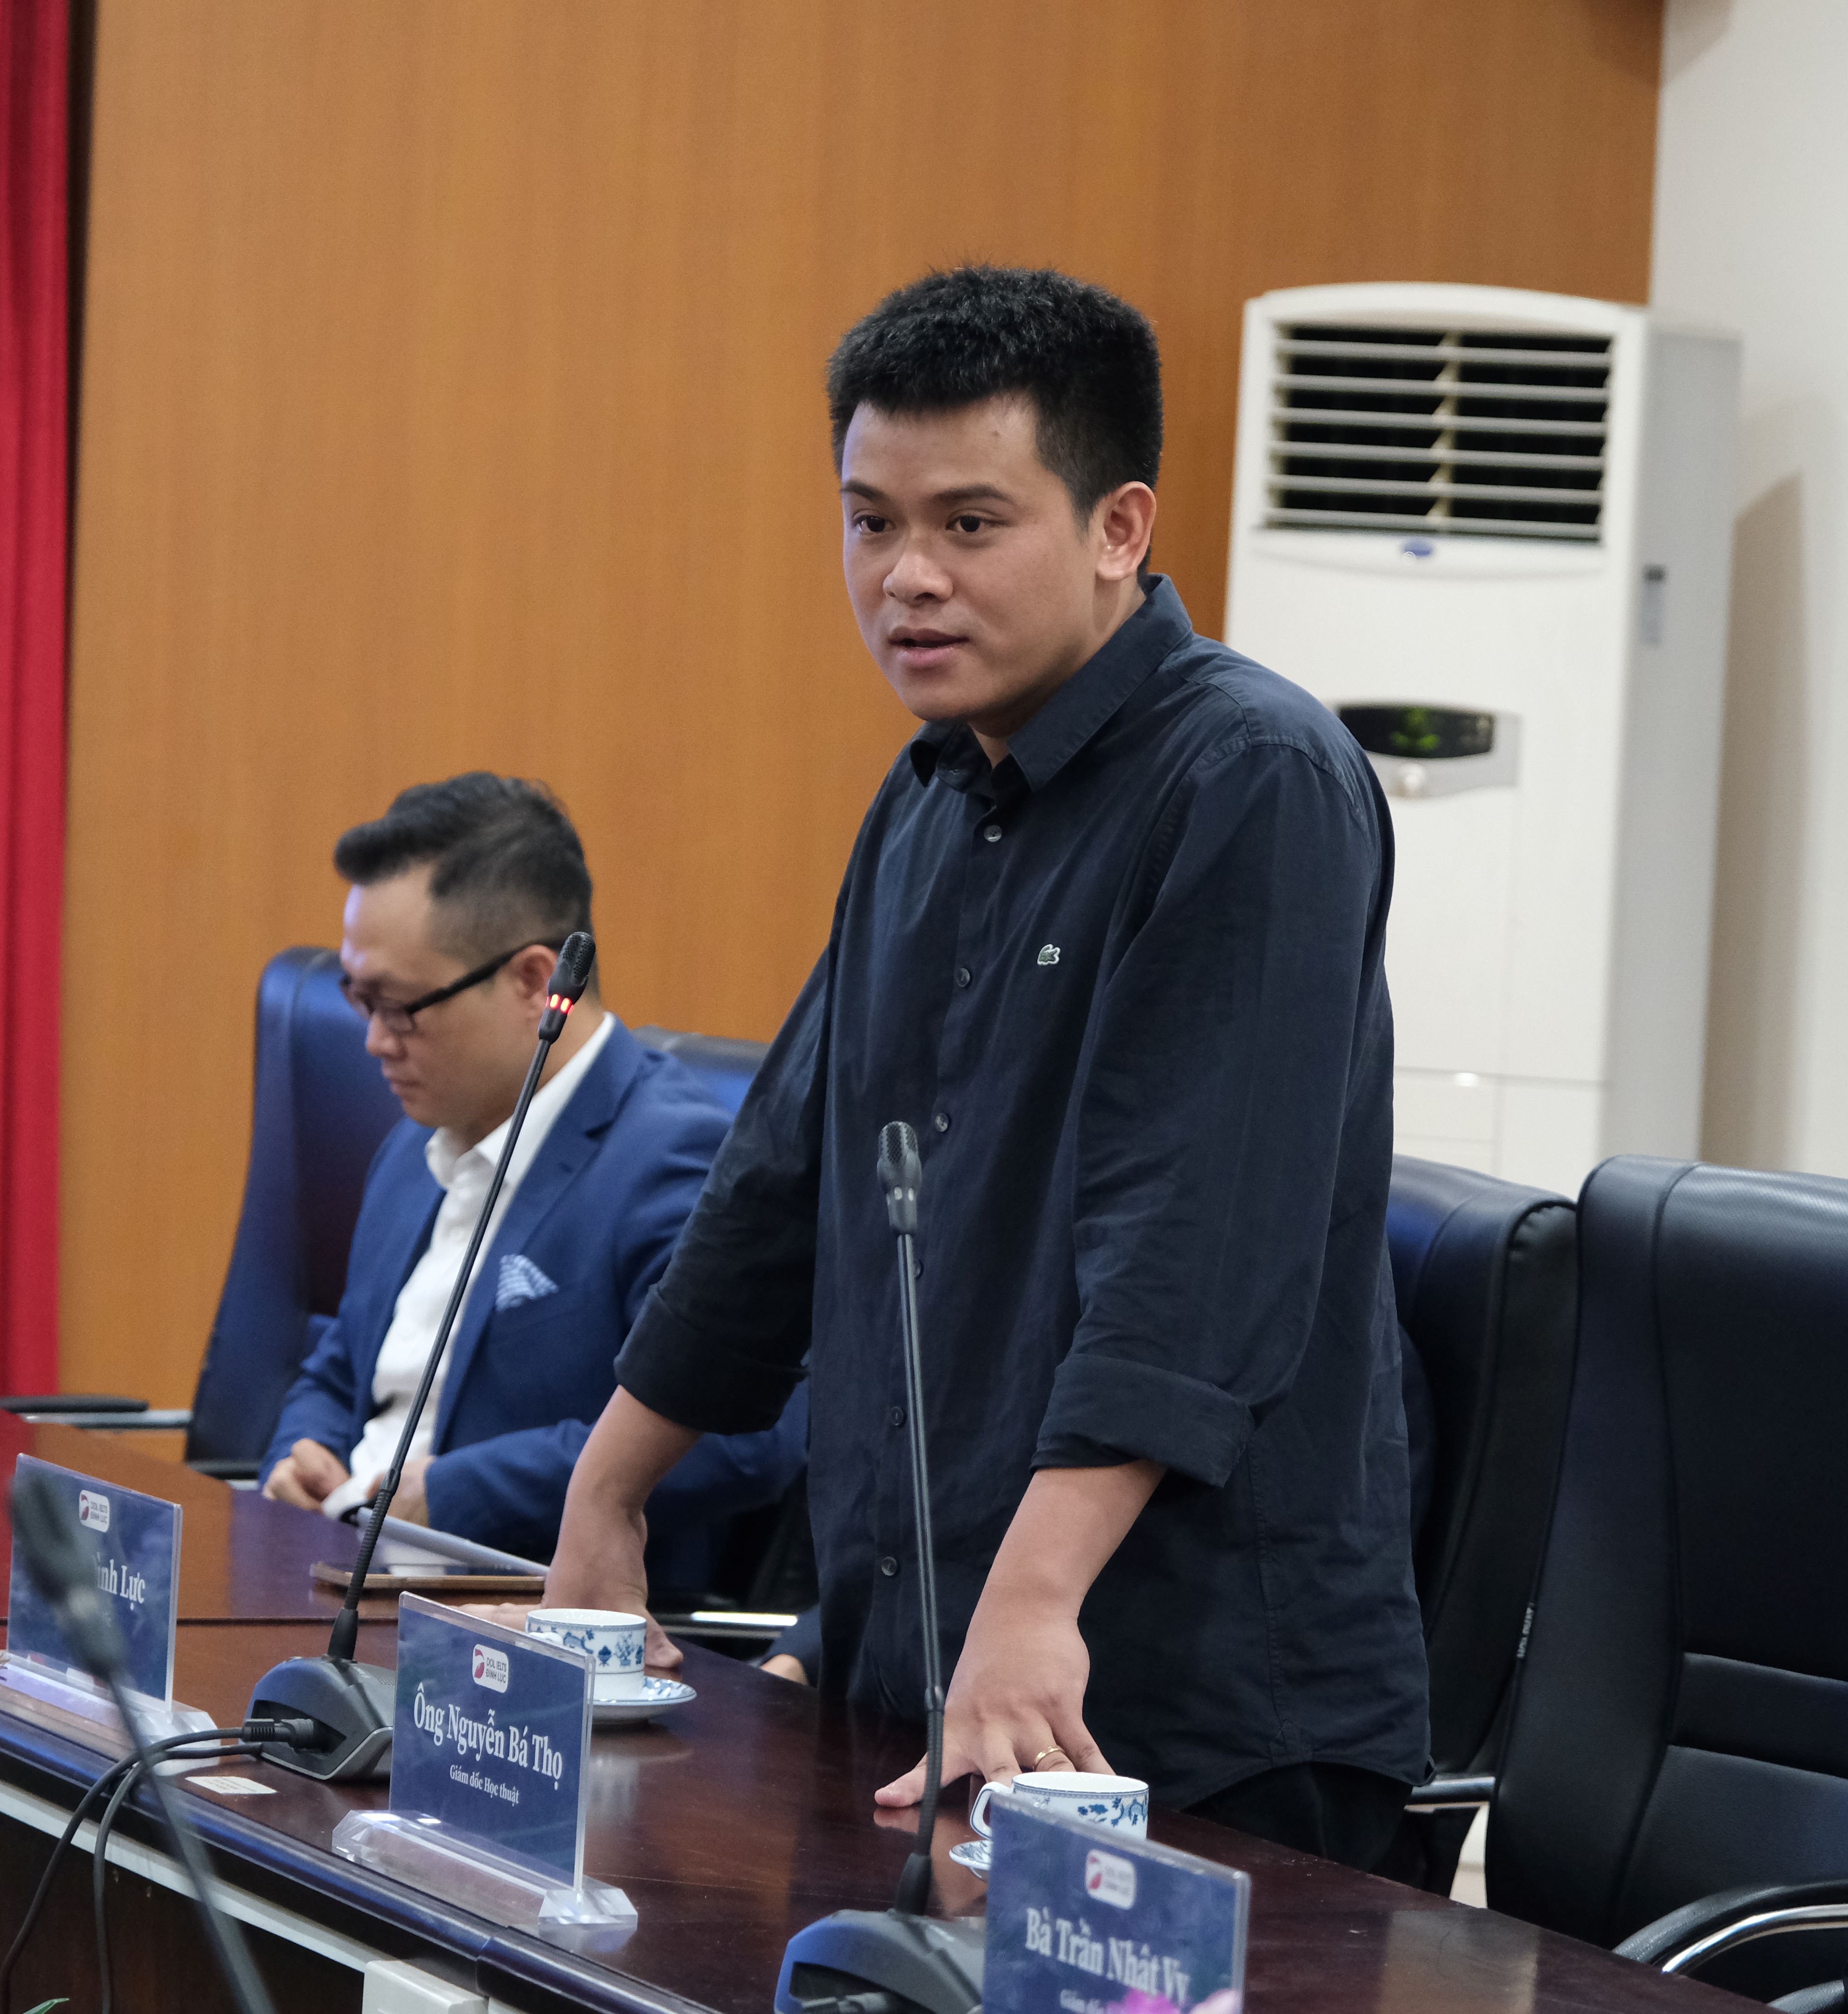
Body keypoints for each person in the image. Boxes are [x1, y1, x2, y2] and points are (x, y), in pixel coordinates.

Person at [537, 265, 1427, 1866]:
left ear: (1117, 529)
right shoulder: (935, 792)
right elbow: (781, 1177)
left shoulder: (1255, 780)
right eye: (870, 522)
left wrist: (1030, 1606)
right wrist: (609, 1494)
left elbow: (1191, 1248)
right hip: (924, 1656)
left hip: (1157, 1695)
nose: (906, 580)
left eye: (969, 523)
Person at [259, 774, 806, 1572]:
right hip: (339, 1583)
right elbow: (342, 1360)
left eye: (400, 1006)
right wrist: (297, 1454)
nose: (375, 1041)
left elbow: (745, 1437)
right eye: (359, 999)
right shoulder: (416, 1143)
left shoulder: (678, 1162)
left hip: (520, 1625)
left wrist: (449, 1493)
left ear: (535, 981)